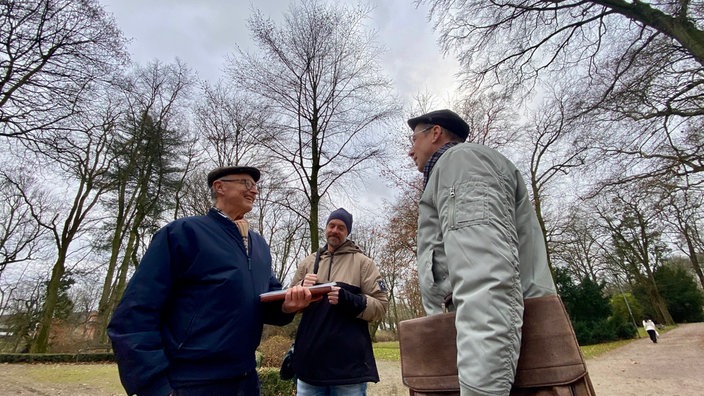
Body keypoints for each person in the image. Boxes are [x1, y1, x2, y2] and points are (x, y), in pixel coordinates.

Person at [108, 166, 313, 396]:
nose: (254, 191)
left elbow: (266, 298)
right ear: (220, 187)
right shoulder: (183, 233)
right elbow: (133, 316)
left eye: (256, 186)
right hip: (191, 383)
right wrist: (155, 387)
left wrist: (288, 305)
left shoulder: (260, 246)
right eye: (246, 183)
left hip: (246, 381)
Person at [407, 109, 558, 396]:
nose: (410, 150)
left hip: (499, 371)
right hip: (491, 362)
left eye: (413, 139)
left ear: (435, 133)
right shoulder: (448, 172)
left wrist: (481, 390)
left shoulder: (460, 162)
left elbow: (486, 284)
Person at [289, 208, 389, 395]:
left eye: (341, 227)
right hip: (310, 364)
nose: (335, 230)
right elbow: (288, 304)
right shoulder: (308, 263)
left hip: (348, 368)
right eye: (331, 225)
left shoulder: (363, 263)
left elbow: (381, 306)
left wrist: (350, 300)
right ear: (326, 228)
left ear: (347, 232)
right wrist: (301, 287)